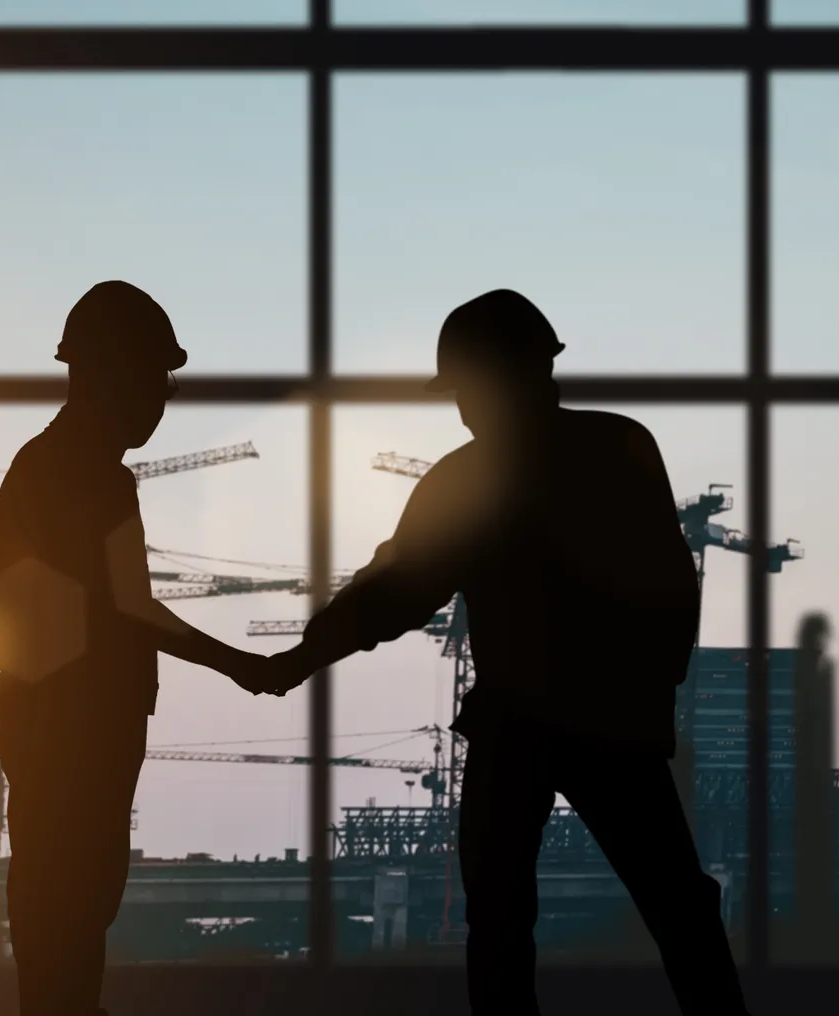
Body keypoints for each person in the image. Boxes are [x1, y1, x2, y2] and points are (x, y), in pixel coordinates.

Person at [264, 289, 752, 1016]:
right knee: (676, 903)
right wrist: (651, 696)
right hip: (608, 723)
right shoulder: (621, 446)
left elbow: (395, 589)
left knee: (498, 920)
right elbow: (671, 587)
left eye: (464, 391)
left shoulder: (465, 479)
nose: (460, 410)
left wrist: (299, 658)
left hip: (518, 724)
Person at [0, 280, 276, 1016]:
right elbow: (130, 611)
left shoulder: (65, 467)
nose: (162, 398)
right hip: (73, 723)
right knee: (69, 903)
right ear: (106, 376)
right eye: (154, 377)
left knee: (70, 907)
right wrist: (240, 664)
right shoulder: (86, 475)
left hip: (66, 718)